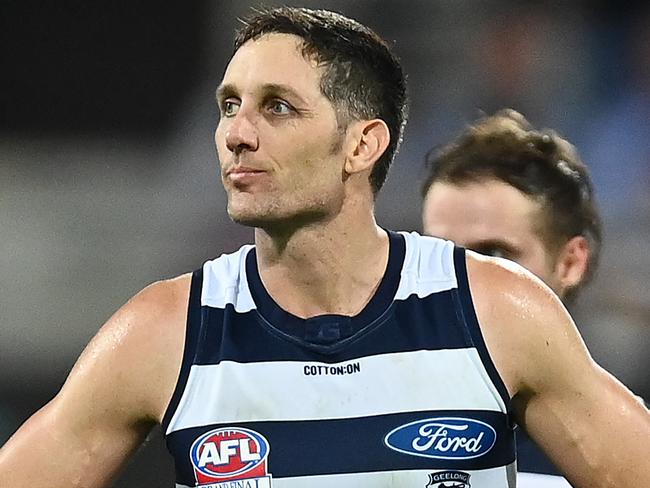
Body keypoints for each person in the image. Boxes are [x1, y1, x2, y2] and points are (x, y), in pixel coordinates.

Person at [1, 7, 648, 488]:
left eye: (277, 107)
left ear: (362, 145)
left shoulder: (497, 312)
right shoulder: (166, 332)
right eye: (230, 106)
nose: (237, 135)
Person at [420, 109, 603, 486]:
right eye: (439, 254)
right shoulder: (366, 418)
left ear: (570, 262)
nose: (457, 279)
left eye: (494, 255)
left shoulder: (626, 447)